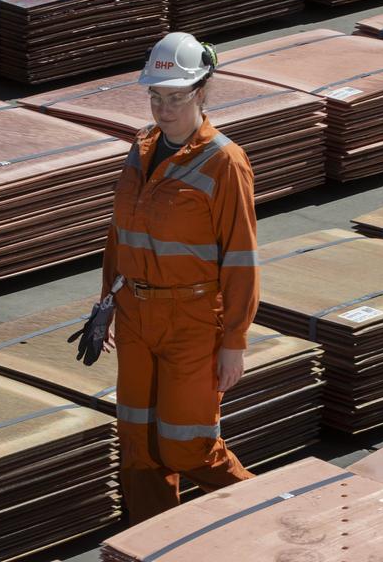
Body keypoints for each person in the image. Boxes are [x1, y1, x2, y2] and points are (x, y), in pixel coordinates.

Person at [100, 31, 259, 523]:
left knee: (188, 448)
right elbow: (119, 233)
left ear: (202, 92)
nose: (163, 109)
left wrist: (233, 340)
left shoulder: (224, 161)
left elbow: (240, 256)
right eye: (155, 97)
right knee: (139, 448)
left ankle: (271, 513)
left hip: (191, 319)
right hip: (134, 315)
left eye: (175, 97)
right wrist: (106, 302)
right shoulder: (140, 149)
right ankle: (151, 547)